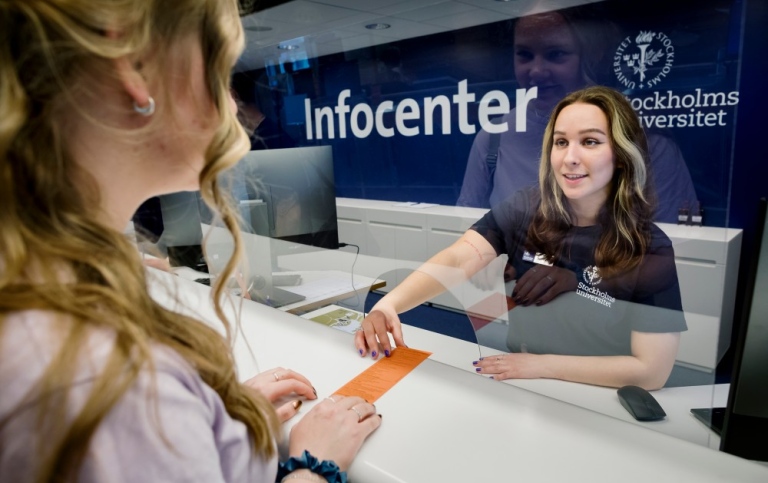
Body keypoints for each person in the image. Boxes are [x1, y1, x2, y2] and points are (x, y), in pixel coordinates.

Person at [0, 1, 379, 482]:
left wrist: (211, 422)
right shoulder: (112, 387)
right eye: (219, 67)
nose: (233, 103)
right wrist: (315, 465)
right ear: (134, 67)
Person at [357, 86, 687, 391]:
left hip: (596, 392)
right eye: (560, 142)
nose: (570, 157)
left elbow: (651, 371)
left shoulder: (648, 245)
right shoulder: (526, 208)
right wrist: (390, 305)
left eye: (590, 142)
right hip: (520, 379)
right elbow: (460, 258)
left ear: (621, 155)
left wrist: (541, 366)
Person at [456, 7, 699, 224]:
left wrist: (585, 275)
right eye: (525, 55)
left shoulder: (645, 139)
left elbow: (676, 247)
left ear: (590, 55)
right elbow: (465, 226)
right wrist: (496, 260)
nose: (537, 71)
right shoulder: (494, 135)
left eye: (556, 54)